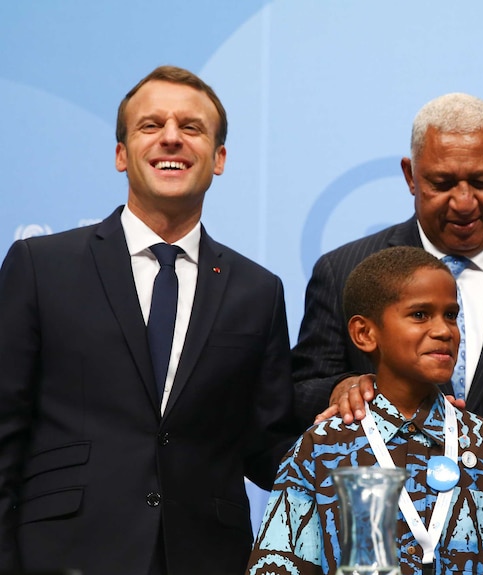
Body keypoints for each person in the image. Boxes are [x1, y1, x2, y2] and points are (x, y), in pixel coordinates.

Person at [0, 66, 295, 575]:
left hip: (207, 558)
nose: (172, 138)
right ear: (121, 154)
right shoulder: (40, 265)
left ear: (219, 158)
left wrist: (367, 420)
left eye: (192, 127)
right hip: (62, 554)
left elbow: (268, 446)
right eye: (151, 125)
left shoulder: (258, 290)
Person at [291, 92, 483, 455]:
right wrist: (342, 387)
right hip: (388, 505)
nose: (464, 202)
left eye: (482, 181)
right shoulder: (344, 270)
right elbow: (300, 392)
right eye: (442, 184)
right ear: (410, 175)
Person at [248, 246, 483, 575]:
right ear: (364, 333)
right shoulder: (321, 449)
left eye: (450, 315)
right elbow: (278, 566)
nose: (444, 330)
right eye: (419, 315)